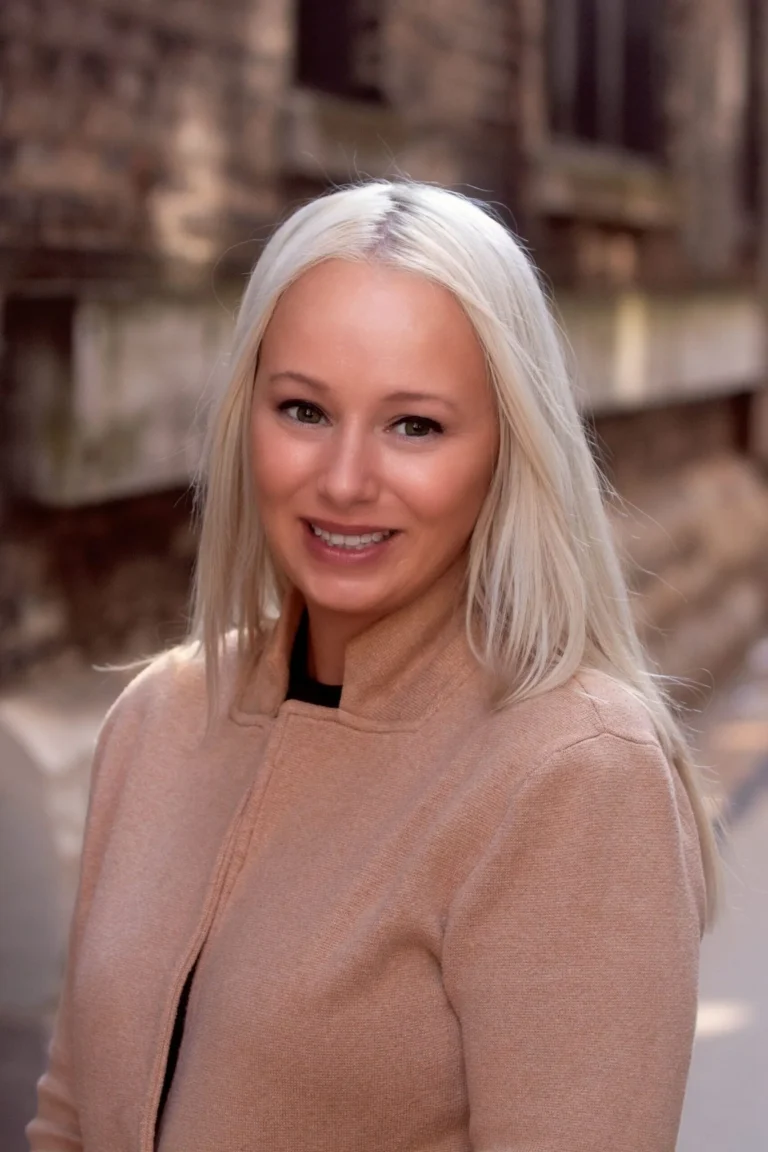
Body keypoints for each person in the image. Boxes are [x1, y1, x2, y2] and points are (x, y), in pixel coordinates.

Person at [28, 181, 718, 1152]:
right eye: (304, 409)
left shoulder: (571, 775)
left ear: (506, 450)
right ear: (246, 419)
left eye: (415, 426)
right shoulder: (159, 719)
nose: (346, 480)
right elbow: (69, 1115)